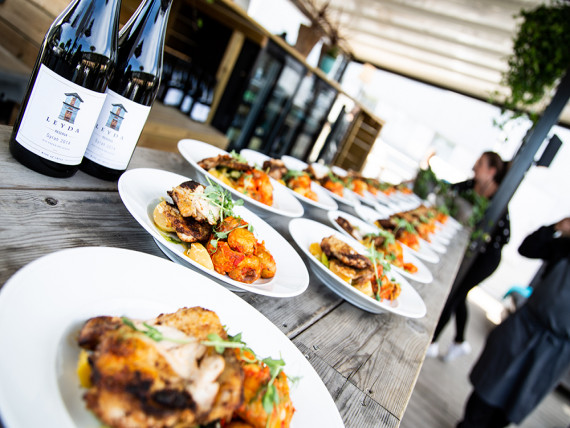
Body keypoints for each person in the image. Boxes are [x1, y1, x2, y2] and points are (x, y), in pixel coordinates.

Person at [456, 217, 570, 428]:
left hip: (557, 348)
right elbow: (527, 248)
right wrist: (555, 228)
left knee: (517, 397)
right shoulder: (565, 247)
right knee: (490, 382)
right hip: (525, 325)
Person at [426, 151, 510, 361]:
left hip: (485, 259)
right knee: (460, 294)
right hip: (468, 251)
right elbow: (448, 191)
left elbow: (505, 236)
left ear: (491, 171)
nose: (474, 166)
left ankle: (433, 341)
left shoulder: (498, 198)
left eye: (480, 163)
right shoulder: (471, 185)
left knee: (455, 293)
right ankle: (459, 342)